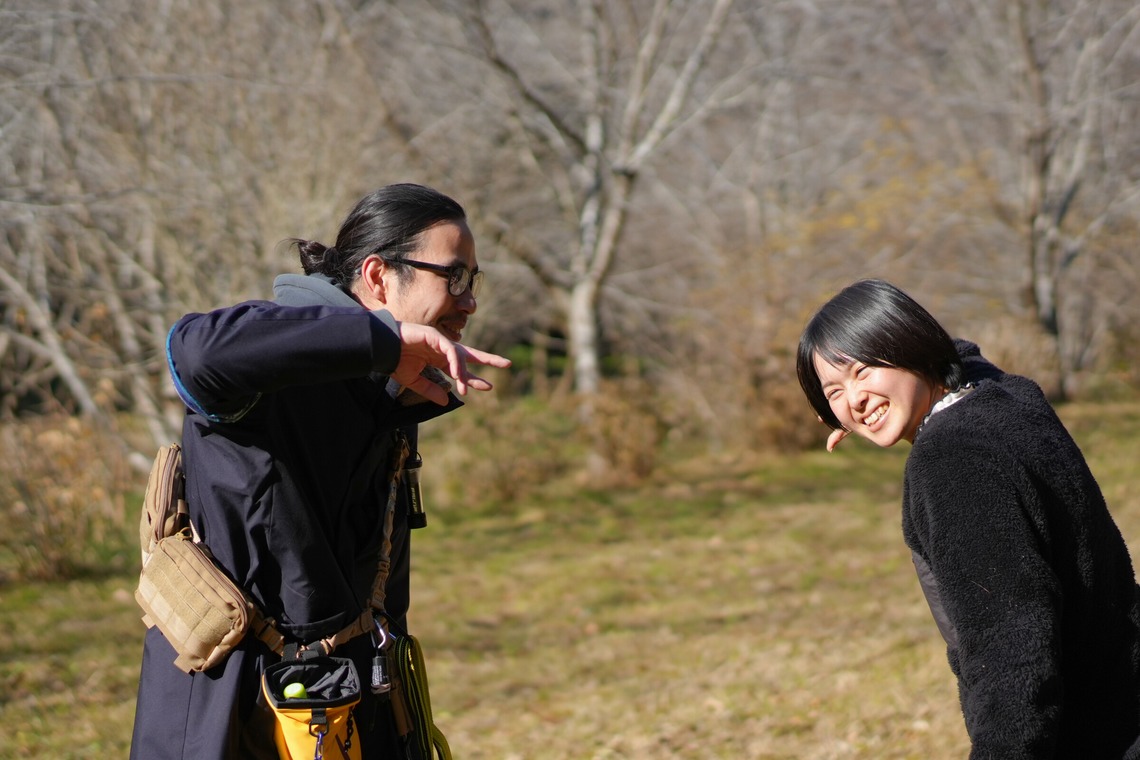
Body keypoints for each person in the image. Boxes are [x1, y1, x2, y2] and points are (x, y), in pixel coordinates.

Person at [130, 183, 511, 759]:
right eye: (453, 276)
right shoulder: (274, 356)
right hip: (228, 713)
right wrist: (381, 341)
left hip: (354, 703)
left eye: (472, 280)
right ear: (379, 276)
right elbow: (195, 351)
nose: (469, 301)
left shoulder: (396, 386)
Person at [796, 278, 1140, 759]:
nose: (854, 399)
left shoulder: (951, 461)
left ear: (910, 344)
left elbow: (1011, 649)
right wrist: (881, 393)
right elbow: (967, 361)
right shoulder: (1005, 398)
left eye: (863, 371)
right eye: (833, 392)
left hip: (1092, 736)